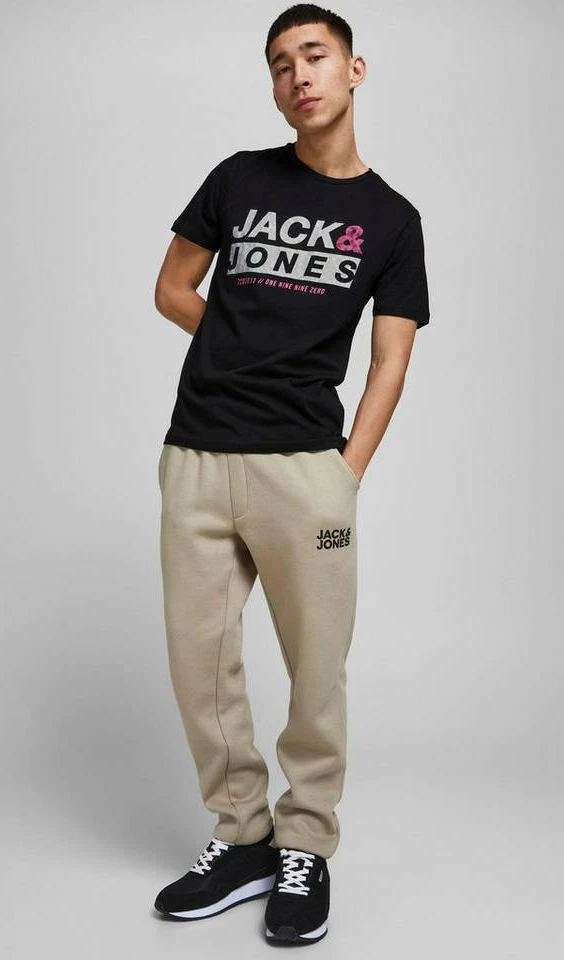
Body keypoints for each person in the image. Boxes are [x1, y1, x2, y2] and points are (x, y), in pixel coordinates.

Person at [151, 3, 430, 947]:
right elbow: (172, 288)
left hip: (305, 470)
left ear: (354, 70)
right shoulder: (237, 178)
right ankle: (241, 837)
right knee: (199, 663)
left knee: (315, 669)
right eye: (279, 64)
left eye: (313, 55)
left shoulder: (391, 219)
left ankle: (304, 842)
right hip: (196, 453)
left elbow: (390, 361)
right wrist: (238, 348)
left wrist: (345, 474)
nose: (297, 75)